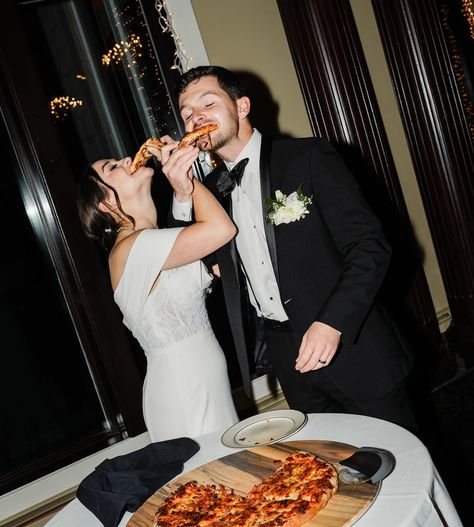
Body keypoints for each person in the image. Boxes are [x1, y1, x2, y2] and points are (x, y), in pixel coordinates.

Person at [172, 65, 417, 431]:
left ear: (242, 106)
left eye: (207, 103)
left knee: (404, 466)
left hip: (355, 348)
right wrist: (183, 195)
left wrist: (332, 323)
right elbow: (194, 267)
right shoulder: (209, 191)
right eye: (188, 114)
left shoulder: (308, 157)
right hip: (290, 361)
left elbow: (370, 248)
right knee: (332, 475)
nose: (197, 118)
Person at [77, 139, 239, 441]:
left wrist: (181, 189)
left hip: (204, 385)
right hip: (183, 391)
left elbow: (206, 264)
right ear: (107, 204)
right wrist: (184, 177)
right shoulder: (128, 249)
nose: (127, 159)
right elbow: (221, 230)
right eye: (112, 167)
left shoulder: (149, 242)